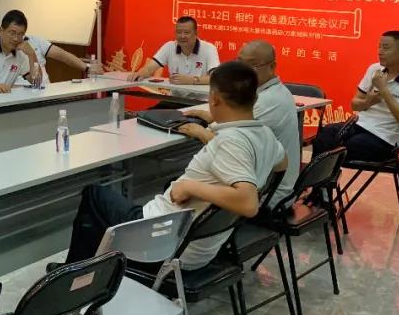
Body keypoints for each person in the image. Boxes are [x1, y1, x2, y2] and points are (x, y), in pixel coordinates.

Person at [62, 61, 287, 270]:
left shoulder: (230, 142)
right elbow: (282, 163)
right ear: (254, 99)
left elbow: (248, 203)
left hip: (165, 246)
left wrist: (191, 187)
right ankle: (85, 271)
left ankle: (75, 277)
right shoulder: (265, 134)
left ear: (215, 99)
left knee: (94, 196)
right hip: (199, 247)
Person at [180, 40, 301, 208]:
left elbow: (229, 144)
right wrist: (210, 116)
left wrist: (201, 132)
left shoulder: (268, 101)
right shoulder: (270, 93)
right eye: (239, 62)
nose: (242, 71)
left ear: (272, 67)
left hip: (267, 195)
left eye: (252, 65)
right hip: (262, 184)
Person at [312, 30, 399, 162]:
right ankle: (322, 176)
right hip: (358, 125)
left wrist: (384, 90)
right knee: (325, 136)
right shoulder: (374, 69)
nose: (380, 52)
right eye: (379, 46)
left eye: (386, 48)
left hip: (385, 138)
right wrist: (369, 101)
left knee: (345, 148)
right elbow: (355, 105)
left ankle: (327, 174)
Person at [129, 16, 221, 85]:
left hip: (200, 100)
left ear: (196, 33)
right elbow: (149, 68)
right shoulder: (169, 47)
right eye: (179, 32)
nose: (182, 36)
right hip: (175, 97)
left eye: (186, 33)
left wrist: (192, 80)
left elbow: (217, 78)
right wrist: (140, 73)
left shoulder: (209, 48)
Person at [18, 34, 100, 86]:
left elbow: (63, 55)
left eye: (21, 32)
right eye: (13, 32)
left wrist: (87, 68)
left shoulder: (34, 40)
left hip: (44, 91)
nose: (16, 38)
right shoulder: (11, 53)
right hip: (19, 97)